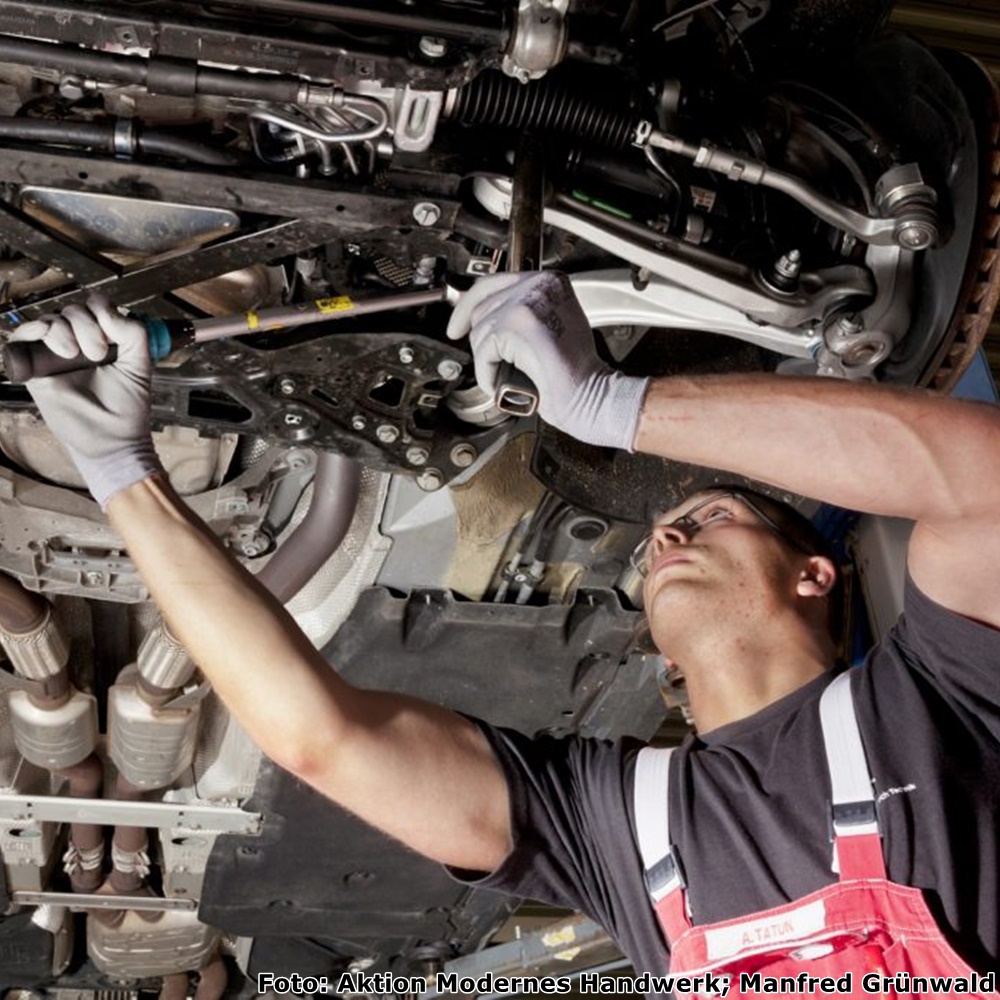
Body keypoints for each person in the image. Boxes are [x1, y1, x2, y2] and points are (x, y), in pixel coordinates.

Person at [11, 272, 1000, 994]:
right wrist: (120, 470)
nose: (669, 532)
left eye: (711, 516)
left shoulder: (938, 697)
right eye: (676, 522)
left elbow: (321, 740)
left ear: (815, 573)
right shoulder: (624, 813)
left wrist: (620, 407)